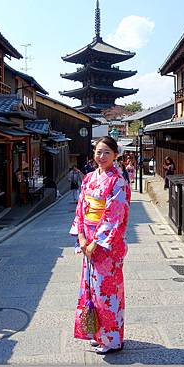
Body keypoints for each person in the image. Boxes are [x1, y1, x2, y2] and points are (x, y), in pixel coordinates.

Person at [70, 136, 131, 354]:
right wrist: (82, 238)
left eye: (106, 152)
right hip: (89, 242)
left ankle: (112, 339)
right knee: (91, 291)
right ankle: (97, 333)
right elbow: (81, 208)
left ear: (116, 154)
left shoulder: (118, 181)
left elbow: (114, 215)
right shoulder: (88, 178)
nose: (101, 156)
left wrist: (95, 242)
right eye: (98, 152)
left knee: (107, 292)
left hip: (106, 247)